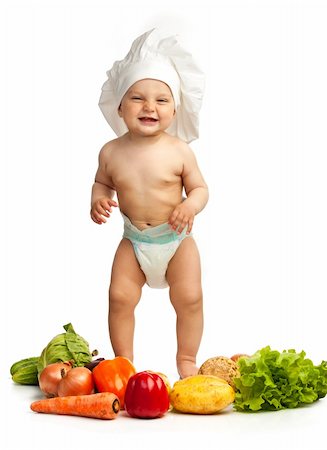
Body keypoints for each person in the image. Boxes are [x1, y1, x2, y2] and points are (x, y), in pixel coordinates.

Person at [90, 29, 208, 379]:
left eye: (161, 100)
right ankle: (124, 363)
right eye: (138, 98)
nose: (149, 107)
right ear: (120, 107)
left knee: (189, 299)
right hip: (135, 242)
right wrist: (98, 199)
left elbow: (200, 188)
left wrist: (190, 205)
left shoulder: (179, 151)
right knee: (120, 298)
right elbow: (102, 183)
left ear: (174, 109)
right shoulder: (111, 152)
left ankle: (187, 359)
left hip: (176, 242)